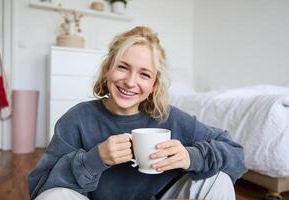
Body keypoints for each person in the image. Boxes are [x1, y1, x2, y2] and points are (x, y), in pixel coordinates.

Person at [28, 26, 247, 200]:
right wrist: (95, 159)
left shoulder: (170, 118)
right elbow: (40, 186)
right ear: (107, 70)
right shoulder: (77, 119)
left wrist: (192, 157)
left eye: (144, 74)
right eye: (122, 67)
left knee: (218, 179)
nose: (131, 82)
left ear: (154, 84)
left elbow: (235, 153)